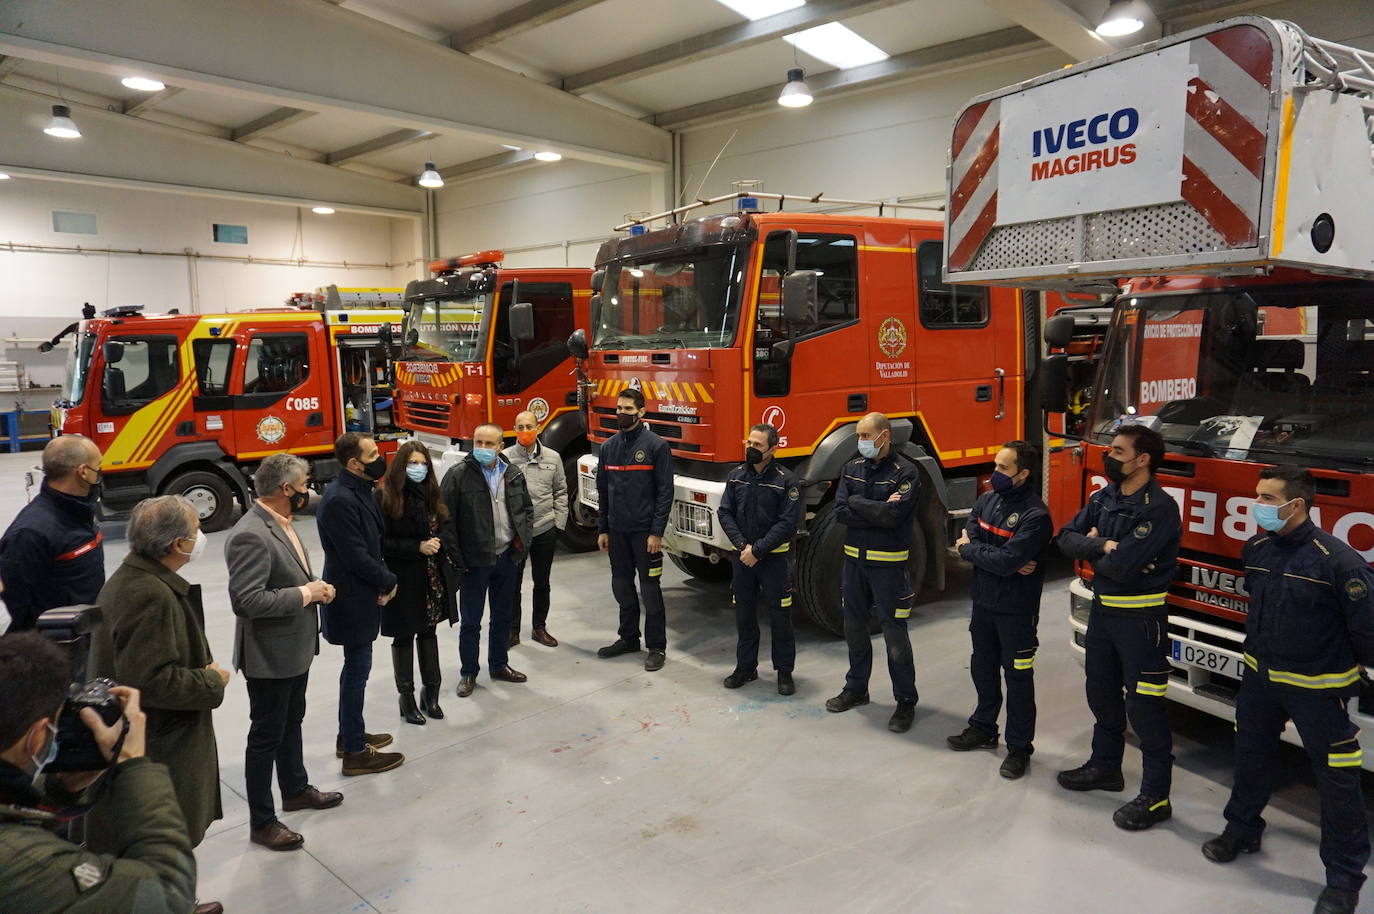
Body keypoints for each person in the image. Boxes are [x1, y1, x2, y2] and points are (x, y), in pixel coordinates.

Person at [1201, 467, 1374, 914]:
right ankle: (1241, 830)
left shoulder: (1339, 562)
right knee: (1250, 758)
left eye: (1266, 497)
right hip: (1260, 682)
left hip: (1317, 693)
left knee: (1337, 781)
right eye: (1257, 495)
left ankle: (1343, 879)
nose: (1256, 504)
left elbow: (1367, 632)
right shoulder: (1257, 548)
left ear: (1296, 505)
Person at [83, 495, 227, 914]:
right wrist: (211, 681)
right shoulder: (151, 594)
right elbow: (150, 680)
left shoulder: (135, 580)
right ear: (176, 545)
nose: (200, 536)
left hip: (155, 740)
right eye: (194, 530)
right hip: (163, 746)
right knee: (159, 839)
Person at [0, 632, 198, 913]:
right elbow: (169, 892)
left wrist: (59, 792)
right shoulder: (28, 866)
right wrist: (134, 763)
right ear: (38, 735)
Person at [1056, 424, 1182, 831]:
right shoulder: (1104, 498)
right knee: (1101, 693)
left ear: (1142, 459)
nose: (1108, 456)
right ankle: (1106, 767)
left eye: (1117, 450)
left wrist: (1098, 547)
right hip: (1103, 613)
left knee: (1144, 708)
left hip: (1141, 621)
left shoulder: (1159, 508)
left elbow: (1126, 570)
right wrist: (1104, 546)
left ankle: (1155, 796)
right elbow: (1064, 538)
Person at [226, 454, 343, 853]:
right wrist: (306, 593)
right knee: (265, 736)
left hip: (292, 648)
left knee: (292, 721)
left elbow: (286, 577)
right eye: (305, 481)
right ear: (286, 489)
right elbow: (248, 601)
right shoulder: (250, 534)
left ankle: (294, 789)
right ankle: (263, 821)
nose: (310, 487)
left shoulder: (282, 523)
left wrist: (313, 586)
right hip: (269, 656)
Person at [947, 441, 1054, 779]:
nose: (995, 474)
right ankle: (983, 728)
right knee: (983, 668)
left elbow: (1007, 561)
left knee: (1019, 679)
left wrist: (970, 550)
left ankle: (1019, 748)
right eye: (996, 465)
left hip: (1016, 612)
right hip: (983, 605)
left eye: (1003, 468)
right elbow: (987, 547)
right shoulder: (986, 500)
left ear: (1023, 474)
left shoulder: (1036, 517)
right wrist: (986, 553)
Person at [825, 413, 922, 733]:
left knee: (895, 636)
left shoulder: (906, 472)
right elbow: (840, 512)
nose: (861, 442)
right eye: (859, 436)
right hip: (854, 565)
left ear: (885, 435)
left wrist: (859, 502)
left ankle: (905, 701)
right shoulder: (851, 468)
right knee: (854, 629)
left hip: (889, 568)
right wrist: (873, 507)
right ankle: (856, 689)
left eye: (867, 436)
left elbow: (894, 516)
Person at [318, 433, 404, 776]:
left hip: (361, 594)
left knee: (356, 670)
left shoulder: (359, 489)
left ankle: (349, 734)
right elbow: (356, 556)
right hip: (352, 597)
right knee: (356, 672)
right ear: (354, 463)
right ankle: (354, 752)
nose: (379, 458)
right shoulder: (340, 499)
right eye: (372, 454)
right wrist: (389, 580)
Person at [440, 423, 534, 697]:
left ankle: (499, 665)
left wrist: (521, 545)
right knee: (471, 621)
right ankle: (469, 672)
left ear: (500, 446)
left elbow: (526, 510)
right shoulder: (458, 476)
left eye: (488, 444)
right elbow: (446, 521)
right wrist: (458, 560)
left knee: (503, 616)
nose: (481, 448)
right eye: (478, 442)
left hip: (506, 557)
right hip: (474, 563)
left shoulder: (513, 473)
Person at [717, 423, 801, 695]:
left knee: (780, 616)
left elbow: (787, 523)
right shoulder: (736, 476)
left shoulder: (786, 480)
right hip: (743, 559)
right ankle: (745, 667)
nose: (751, 449)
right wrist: (744, 547)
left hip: (774, 562)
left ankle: (785, 672)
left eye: (757, 445)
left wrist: (758, 550)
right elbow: (724, 513)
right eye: (749, 443)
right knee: (744, 614)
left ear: (772, 449)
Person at [379, 441, 458, 723]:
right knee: (404, 635)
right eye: (413, 463)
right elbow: (381, 542)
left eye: (423, 463)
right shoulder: (386, 496)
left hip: (433, 578)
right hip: (404, 579)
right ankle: (407, 698)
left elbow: (447, 526)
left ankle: (431, 694)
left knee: (429, 633)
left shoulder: (432, 493)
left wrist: (440, 543)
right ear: (402, 465)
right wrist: (417, 547)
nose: (419, 468)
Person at [595, 387, 673, 671]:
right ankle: (628, 638)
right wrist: (603, 528)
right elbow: (603, 491)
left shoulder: (656, 447)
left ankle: (657, 646)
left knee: (650, 590)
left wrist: (657, 532)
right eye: (619, 409)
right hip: (617, 532)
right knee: (622, 587)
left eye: (628, 410)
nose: (622, 414)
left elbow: (665, 493)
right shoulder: (608, 448)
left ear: (641, 412)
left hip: (644, 534)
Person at [0, 435, 105, 632]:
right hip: (58, 646)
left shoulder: (81, 510)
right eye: (98, 466)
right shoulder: (31, 533)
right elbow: (17, 602)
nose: (100, 472)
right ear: (83, 472)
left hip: (88, 632)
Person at [504, 410, 568, 648]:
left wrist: (558, 525)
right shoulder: (505, 458)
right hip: (516, 534)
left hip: (544, 529)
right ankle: (512, 630)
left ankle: (539, 628)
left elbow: (561, 491)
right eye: (519, 427)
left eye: (529, 426)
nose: (524, 431)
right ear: (514, 429)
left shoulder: (553, 458)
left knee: (542, 582)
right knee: (513, 584)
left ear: (538, 428)